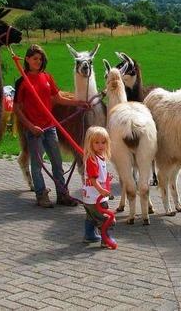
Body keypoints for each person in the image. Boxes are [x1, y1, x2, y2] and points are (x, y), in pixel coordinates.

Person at [14, 44, 90, 208]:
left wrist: (78, 103)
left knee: (57, 161)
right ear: (27, 59)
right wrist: (30, 126)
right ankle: (41, 195)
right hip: (34, 129)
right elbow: (17, 108)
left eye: (40, 59)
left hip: (50, 127)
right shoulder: (22, 81)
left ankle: (62, 194)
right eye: (35, 59)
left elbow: (57, 98)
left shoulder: (47, 77)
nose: (38, 62)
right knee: (37, 163)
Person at [81, 126, 116, 248]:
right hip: (96, 197)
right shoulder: (92, 160)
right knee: (106, 219)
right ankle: (106, 239)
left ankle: (89, 235)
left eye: (103, 142)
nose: (101, 145)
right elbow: (93, 179)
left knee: (91, 217)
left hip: (89, 198)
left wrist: (107, 179)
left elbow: (98, 176)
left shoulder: (98, 158)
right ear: (90, 144)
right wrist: (101, 190)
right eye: (96, 142)